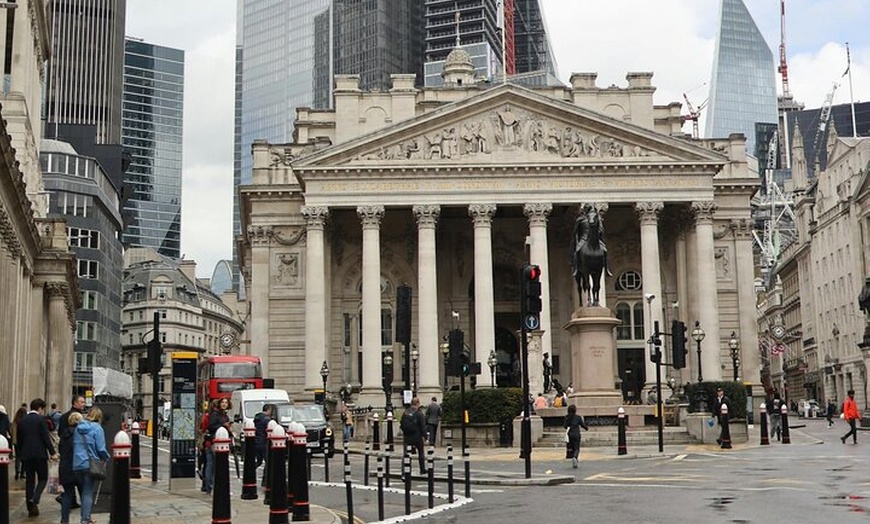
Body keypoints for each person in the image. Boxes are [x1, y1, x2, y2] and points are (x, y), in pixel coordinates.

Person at [17, 398, 58, 517]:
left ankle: (30, 507)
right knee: (43, 478)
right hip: (39, 454)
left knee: (30, 481)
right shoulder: (41, 419)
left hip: (26, 455)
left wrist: (20, 453)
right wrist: (53, 452)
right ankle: (35, 498)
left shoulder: (22, 421)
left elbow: (19, 439)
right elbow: (45, 437)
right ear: (40, 408)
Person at [70, 408, 109, 524]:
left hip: (77, 464)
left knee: (83, 492)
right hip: (90, 464)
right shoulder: (98, 428)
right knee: (87, 492)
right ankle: (85, 519)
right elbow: (101, 449)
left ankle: (86, 516)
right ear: (99, 417)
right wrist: (106, 457)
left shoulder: (78, 428)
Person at [57, 395, 86, 513]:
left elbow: (60, 435)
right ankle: (86, 516)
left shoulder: (63, 419)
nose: (83, 404)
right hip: (79, 463)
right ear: (74, 403)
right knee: (84, 490)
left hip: (66, 462)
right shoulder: (81, 431)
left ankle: (65, 518)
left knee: (68, 492)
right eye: (81, 402)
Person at [204, 397, 232, 494]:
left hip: (216, 442)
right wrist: (224, 426)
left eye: (226, 402)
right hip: (214, 442)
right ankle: (212, 486)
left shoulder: (224, 415)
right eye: (223, 402)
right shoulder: (215, 414)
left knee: (211, 465)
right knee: (216, 465)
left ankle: (209, 487)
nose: (224, 404)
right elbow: (211, 426)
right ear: (219, 404)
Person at [400, 397, 426, 475]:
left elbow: (401, 424)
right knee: (421, 453)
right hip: (417, 437)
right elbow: (422, 426)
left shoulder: (406, 412)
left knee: (406, 454)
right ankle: (422, 469)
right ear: (418, 403)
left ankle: (404, 472)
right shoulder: (419, 413)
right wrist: (426, 437)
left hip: (407, 437)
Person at [564, 404, 589, 469]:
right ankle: (575, 457)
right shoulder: (578, 417)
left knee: (572, 447)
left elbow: (565, 426)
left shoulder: (567, 417)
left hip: (570, 434)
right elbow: (582, 425)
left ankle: (573, 457)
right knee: (577, 448)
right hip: (576, 434)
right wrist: (586, 428)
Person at [253, 403, 274, 469]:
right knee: (268, 461)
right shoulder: (266, 420)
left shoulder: (256, 418)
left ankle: (250, 471)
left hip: (256, 441)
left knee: (259, 461)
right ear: (269, 410)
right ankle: (266, 476)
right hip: (264, 442)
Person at [11, 405, 27, 481]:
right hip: (23, 441)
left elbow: (11, 431)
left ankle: (17, 471)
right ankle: (23, 473)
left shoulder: (14, 421)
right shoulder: (24, 422)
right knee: (24, 457)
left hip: (15, 441)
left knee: (18, 457)